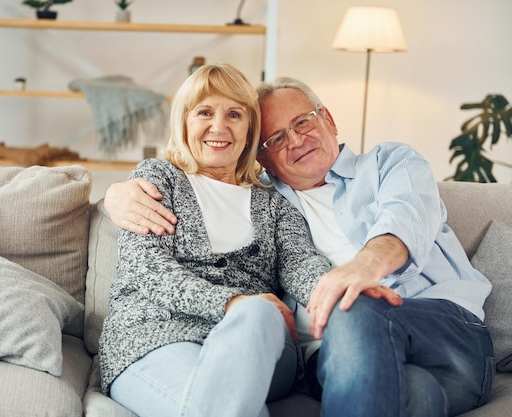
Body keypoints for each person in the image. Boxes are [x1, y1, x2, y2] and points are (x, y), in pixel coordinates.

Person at [104, 76, 495, 417]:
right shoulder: (272, 198)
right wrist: (114, 194)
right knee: (417, 396)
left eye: (303, 122)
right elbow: (152, 257)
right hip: (335, 355)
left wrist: (358, 275)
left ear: (328, 120)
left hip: (437, 328)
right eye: (275, 138)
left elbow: (404, 219)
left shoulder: (388, 163)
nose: (295, 140)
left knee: (354, 304)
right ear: (262, 157)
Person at [98, 64, 335, 417]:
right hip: (157, 336)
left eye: (234, 114)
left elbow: (302, 263)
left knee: (260, 312)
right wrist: (231, 302)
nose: (219, 127)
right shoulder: (158, 178)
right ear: (184, 123)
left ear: (250, 130)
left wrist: (341, 289)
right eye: (204, 112)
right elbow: (146, 268)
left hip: (260, 341)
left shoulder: (274, 202)